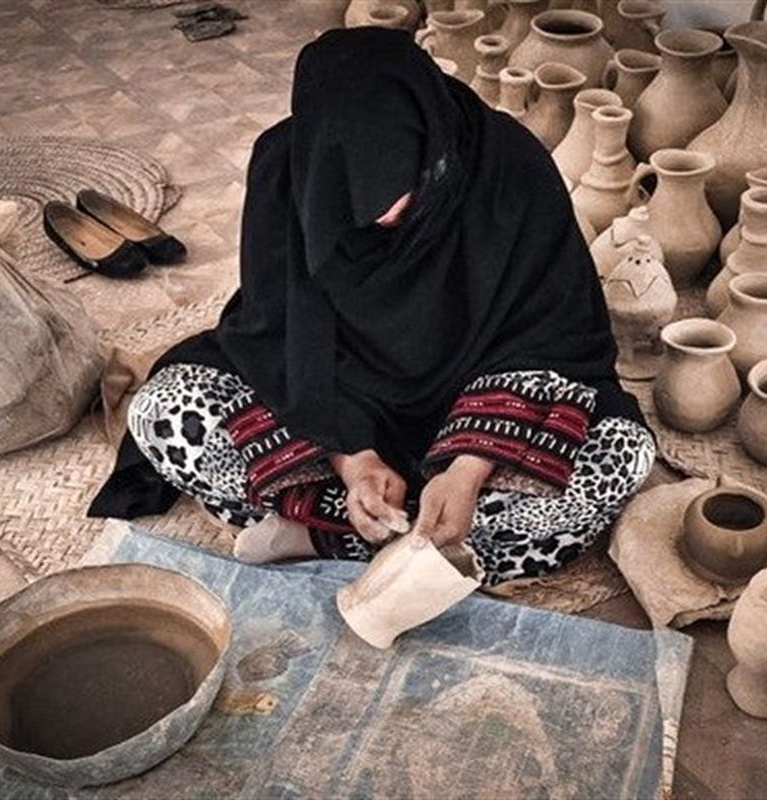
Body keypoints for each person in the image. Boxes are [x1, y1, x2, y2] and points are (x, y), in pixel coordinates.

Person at [89, 27, 655, 587]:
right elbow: (282, 333)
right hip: (337, 400)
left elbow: (554, 336)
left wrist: (466, 469)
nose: (380, 216)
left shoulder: (509, 165)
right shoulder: (285, 166)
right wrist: (353, 460)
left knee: (620, 458)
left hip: (485, 401)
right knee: (162, 410)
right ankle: (404, 548)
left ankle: (316, 533)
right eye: (350, 195)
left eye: (400, 183)